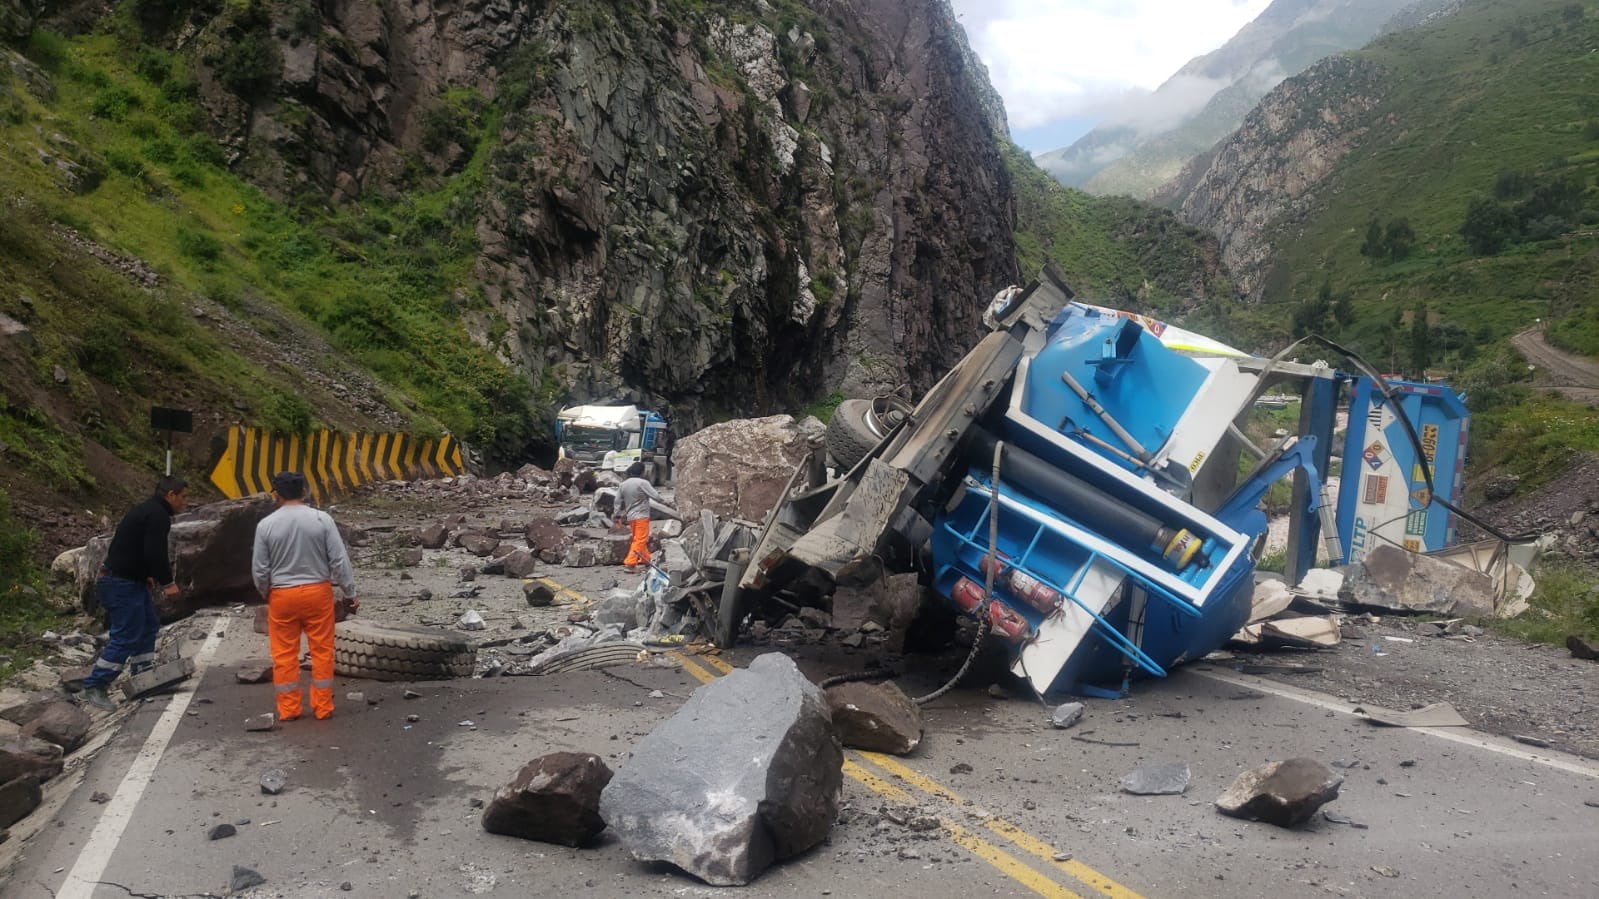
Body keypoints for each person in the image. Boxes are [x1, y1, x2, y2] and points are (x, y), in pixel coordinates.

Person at [252, 471, 358, 721]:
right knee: (322, 650)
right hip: (317, 593)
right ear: (304, 492)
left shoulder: (266, 525)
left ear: (276, 495)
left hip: (282, 595)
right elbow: (339, 560)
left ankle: (289, 710)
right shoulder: (322, 520)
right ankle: (322, 707)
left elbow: (259, 569)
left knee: (284, 653)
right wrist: (350, 592)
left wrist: (266, 591)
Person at [81, 476, 189, 711]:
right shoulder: (158, 516)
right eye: (183, 497)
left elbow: (134, 547)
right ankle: (95, 685)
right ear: (170, 495)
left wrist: (146, 575)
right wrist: (167, 582)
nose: (185, 502)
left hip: (128, 581)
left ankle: (143, 678)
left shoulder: (147, 511)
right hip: (119, 584)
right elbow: (154, 551)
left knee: (149, 624)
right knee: (127, 634)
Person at [617, 461, 667, 571]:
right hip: (641, 516)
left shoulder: (623, 484)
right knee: (640, 539)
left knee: (639, 538)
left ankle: (645, 559)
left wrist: (617, 515)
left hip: (631, 517)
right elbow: (655, 496)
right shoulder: (642, 483)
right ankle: (630, 564)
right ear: (642, 472)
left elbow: (617, 501)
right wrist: (666, 503)